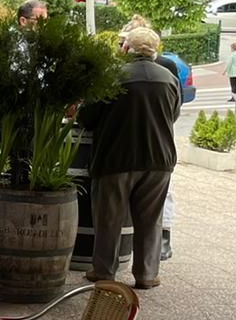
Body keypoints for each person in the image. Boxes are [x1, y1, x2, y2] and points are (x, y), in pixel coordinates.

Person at [76, 26, 180, 289]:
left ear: (126, 49)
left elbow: (87, 117)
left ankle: (103, 271)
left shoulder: (111, 77)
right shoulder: (169, 78)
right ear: (155, 51)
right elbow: (174, 114)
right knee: (150, 219)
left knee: (108, 218)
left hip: (116, 158)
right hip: (159, 159)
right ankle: (146, 274)